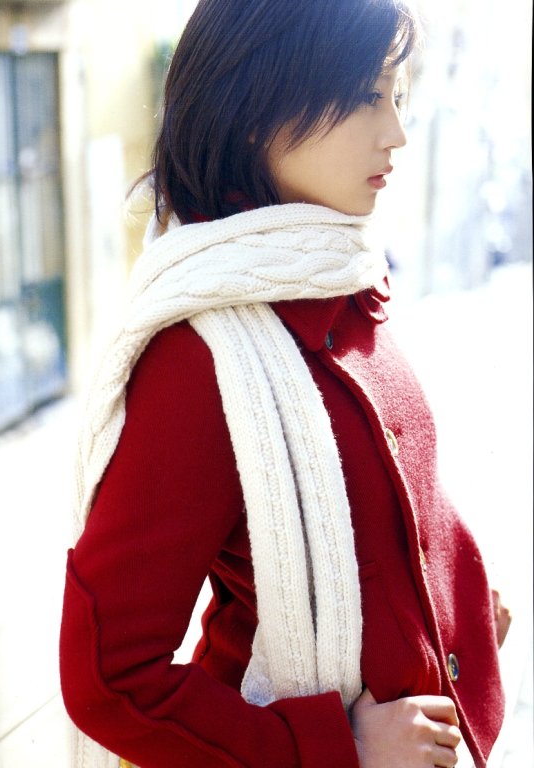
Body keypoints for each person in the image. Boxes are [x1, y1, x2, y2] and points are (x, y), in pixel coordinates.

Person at [59, 1, 511, 767]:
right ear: (256, 108)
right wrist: (340, 749)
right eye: (366, 96)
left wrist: (448, 611)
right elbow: (108, 679)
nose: (396, 132)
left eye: (398, 95)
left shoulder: (342, 281)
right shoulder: (201, 355)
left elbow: (391, 505)